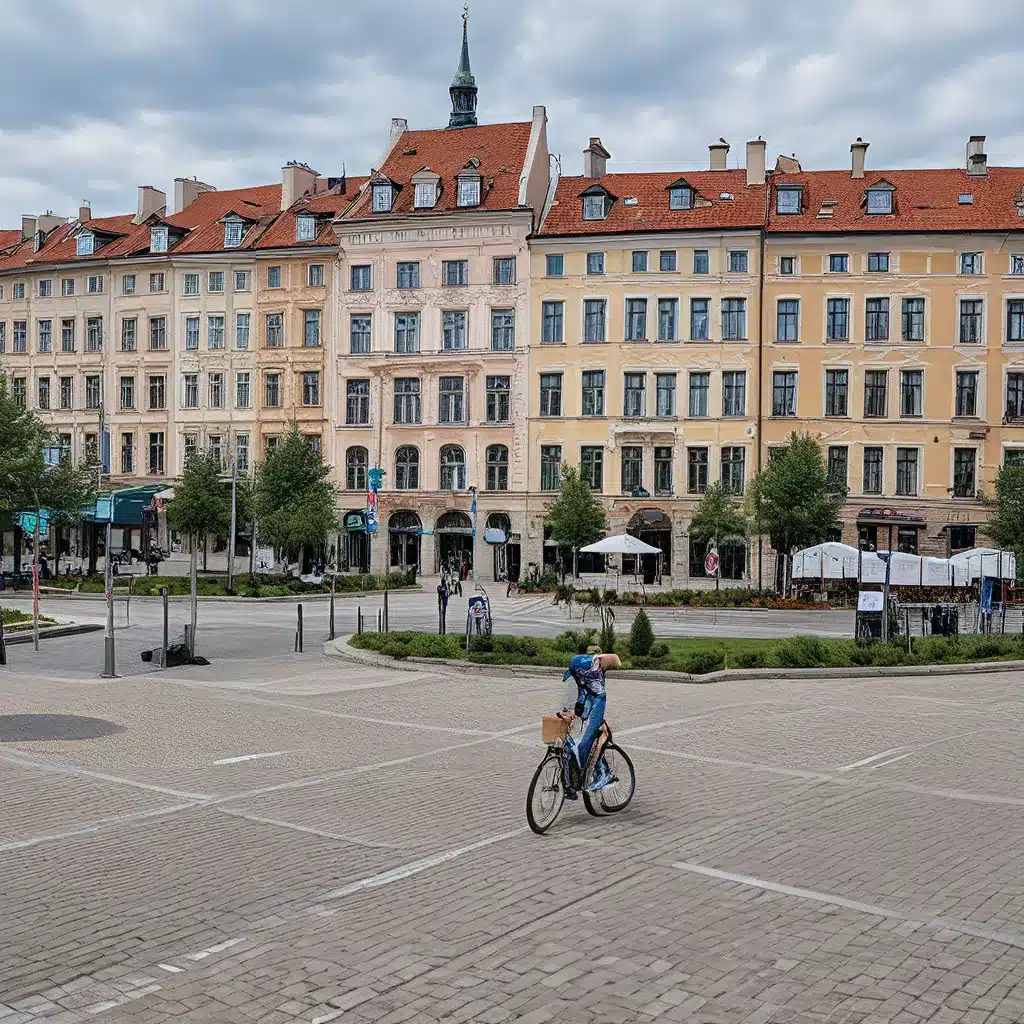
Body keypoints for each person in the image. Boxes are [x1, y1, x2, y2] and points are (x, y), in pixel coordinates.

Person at [562, 645, 621, 793]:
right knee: (579, 742)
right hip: (591, 701)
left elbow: (616, 660)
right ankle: (587, 773)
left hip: (594, 701)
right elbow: (582, 694)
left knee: (586, 741)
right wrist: (576, 711)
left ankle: (600, 774)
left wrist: (598, 658)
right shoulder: (586, 668)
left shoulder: (589, 666)